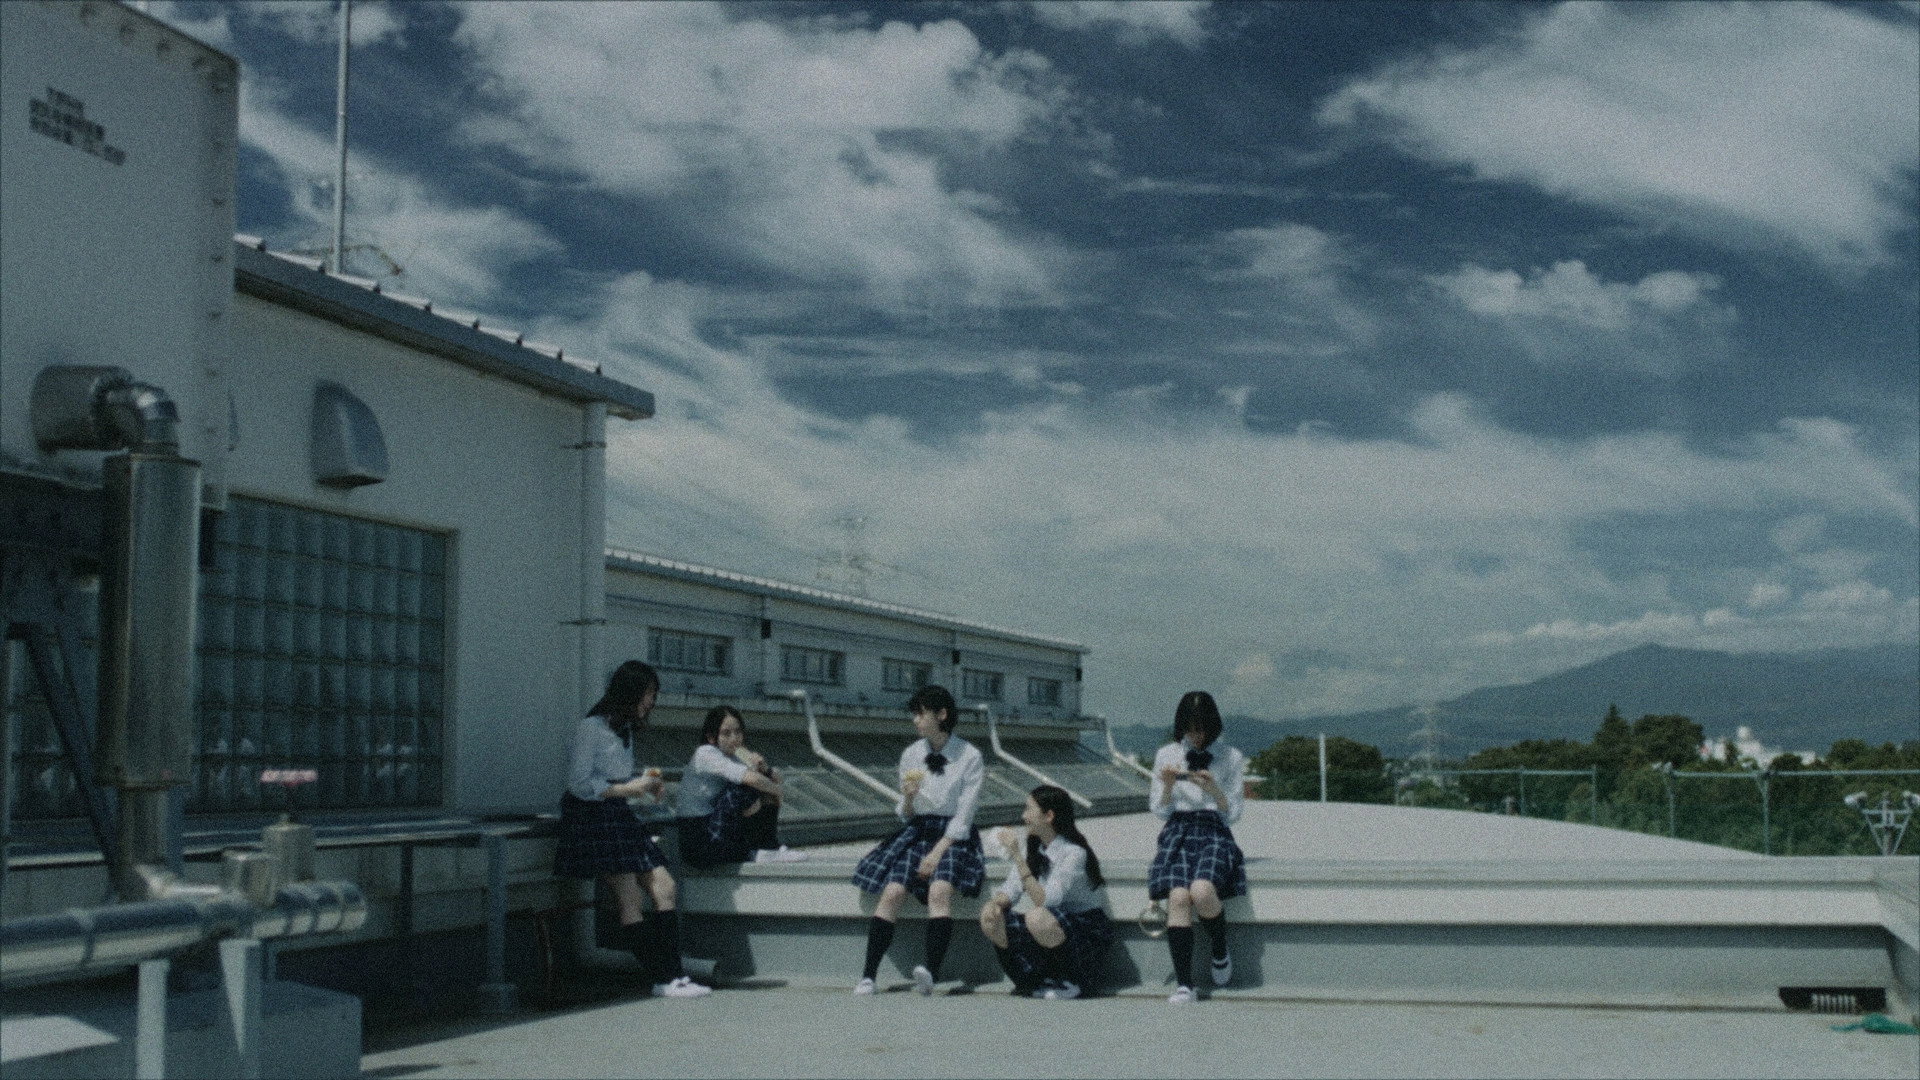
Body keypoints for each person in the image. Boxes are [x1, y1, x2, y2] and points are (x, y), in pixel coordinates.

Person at [553, 660, 710, 998]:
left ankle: (674, 974)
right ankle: (664, 978)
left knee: (665, 886)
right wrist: (631, 788)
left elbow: (618, 780)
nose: (651, 701)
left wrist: (644, 787)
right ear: (631, 693)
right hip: (592, 815)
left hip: (617, 812)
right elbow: (579, 784)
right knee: (630, 897)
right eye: (648, 693)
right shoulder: (591, 728)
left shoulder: (623, 730)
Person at [849, 684, 987, 997]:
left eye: (921, 714)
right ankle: (868, 976)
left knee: (940, 891)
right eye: (915, 714)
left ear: (942, 715)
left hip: (953, 837)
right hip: (919, 830)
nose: (916, 720)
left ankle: (930, 972)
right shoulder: (911, 754)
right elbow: (905, 813)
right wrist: (909, 799)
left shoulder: (970, 756)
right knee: (892, 892)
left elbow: (965, 815)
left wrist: (936, 854)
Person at [1149, 690, 1247, 1004]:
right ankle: (1185, 985)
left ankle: (1219, 949)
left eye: (1202, 728)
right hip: (1177, 829)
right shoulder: (1166, 754)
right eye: (1190, 728)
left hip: (1214, 829)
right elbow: (1159, 810)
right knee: (1178, 897)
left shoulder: (1230, 757)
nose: (1196, 735)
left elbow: (1233, 815)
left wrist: (1214, 790)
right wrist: (1168, 786)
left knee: (1202, 891)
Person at [979, 785, 1115, 1000]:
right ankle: (1028, 982)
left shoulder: (1074, 853)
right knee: (991, 917)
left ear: (1049, 816)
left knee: (1037, 916)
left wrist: (1016, 856)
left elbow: (1046, 901)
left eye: (1028, 809)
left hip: (1084, 930)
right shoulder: (1034, 850)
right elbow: (1011, 889)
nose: (1023, 816)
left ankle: (1072, 981)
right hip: (1050, 926)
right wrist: (995, 904)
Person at [676, 705, 807, 867]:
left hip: (713, 831)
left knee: (761, 785)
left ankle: (767, 847)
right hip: (698, 839)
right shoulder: (706, 753)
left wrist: (765, 768)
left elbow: (776, 779)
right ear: (711, 737)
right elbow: (752, 780)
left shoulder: (732, 756)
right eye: (726, 733)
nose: (734, 738)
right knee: (745, 788)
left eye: (738, 732)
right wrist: (777, 790)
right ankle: (764, 849)